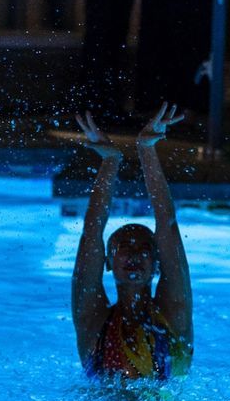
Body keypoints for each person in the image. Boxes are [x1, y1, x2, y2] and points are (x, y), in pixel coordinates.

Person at [71, 104, 193, 383]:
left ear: (158, 263)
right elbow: (91, 233)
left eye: (144, 249)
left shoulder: (175, 314)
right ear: (108, 262)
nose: (134, 252)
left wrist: (147, 150)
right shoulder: (93, 322)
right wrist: (109, 160)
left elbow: (168, 225)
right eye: (124, 246)